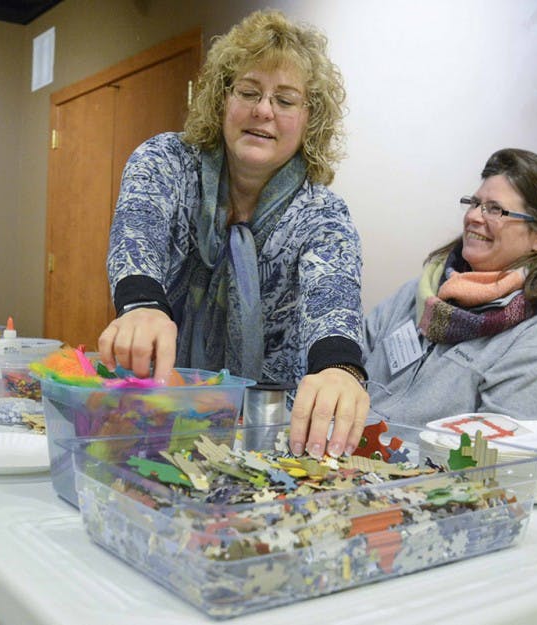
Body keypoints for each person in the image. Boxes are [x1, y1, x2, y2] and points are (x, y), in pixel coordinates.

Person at [99, 10, 369, 457]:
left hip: (269, 436)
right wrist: (143, 305)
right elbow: (137, 238)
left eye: (285, 100)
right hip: (153, 409)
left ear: (309, 120)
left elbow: (333, 303)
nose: (263, 110)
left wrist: (340, 369)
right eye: (249, 91)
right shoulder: (165, 162)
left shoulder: (323, 214)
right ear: (222, 99)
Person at [361, 148, 537, 427]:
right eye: (474, 203)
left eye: (495, 209)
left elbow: (496, 456)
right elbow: (350, 363)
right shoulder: (420, 294)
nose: (474, 216)